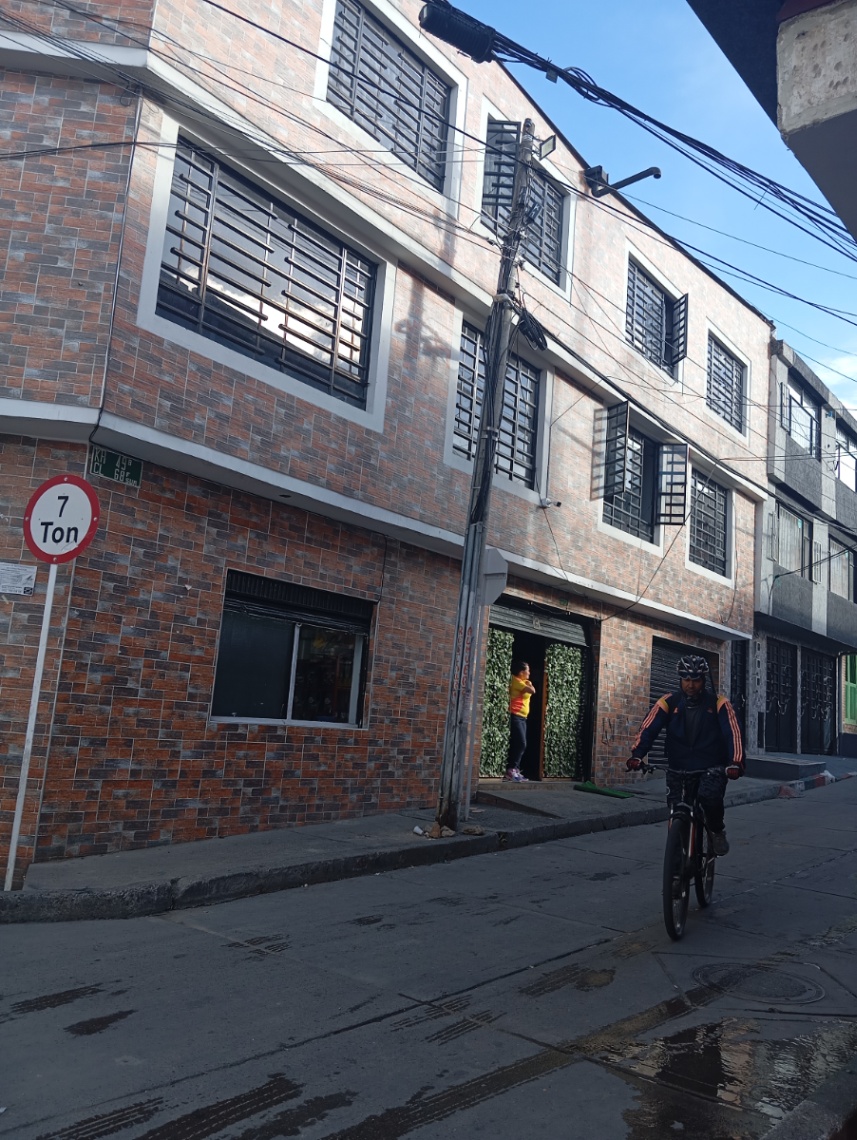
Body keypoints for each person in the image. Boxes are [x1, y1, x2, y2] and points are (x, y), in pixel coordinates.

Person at [626, 655, 744, 855]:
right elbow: (649, 728)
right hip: (677, 766)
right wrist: (637, 755)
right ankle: (677, 857)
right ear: (680, 679)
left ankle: (716, 831)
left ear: (703, 680)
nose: (691, 685)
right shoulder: (668, 702)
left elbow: (733, 734)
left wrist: (735, 762)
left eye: (696, 680)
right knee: (675, 807)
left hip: (710, 767)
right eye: (686, 679)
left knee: (709, 798)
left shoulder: (719, 703)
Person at [506, 660, 536, 782]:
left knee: (521, 743)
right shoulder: (516, 681)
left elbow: (531, 689)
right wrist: (529, 684)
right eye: (528, 670)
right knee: (521, 743)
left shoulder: (524, 682)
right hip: (516, 715)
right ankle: (511, 770)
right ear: (521, 672)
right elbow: (532, 691)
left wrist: (529, 684)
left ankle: (516, 770)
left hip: (523, 717)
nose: (529, 673)